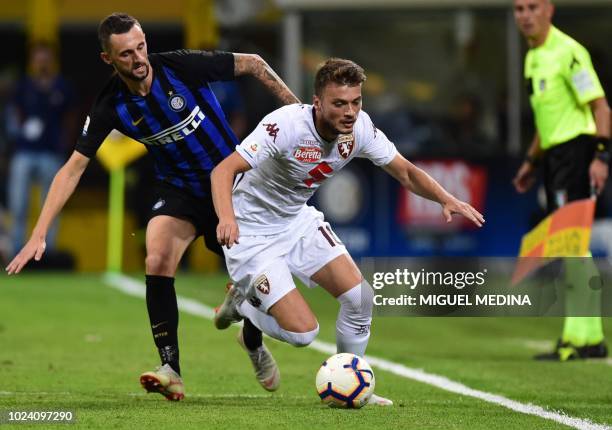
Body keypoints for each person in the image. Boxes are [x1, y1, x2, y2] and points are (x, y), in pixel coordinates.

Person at [5, 12, 299, 400]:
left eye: (141, 47)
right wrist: (38, 232)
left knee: (257, 279)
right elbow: (72, 169)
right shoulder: (111, 103)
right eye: (126, 54)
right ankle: (171, 369)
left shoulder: (180, 66)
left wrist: (303, 118)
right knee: (157, 256)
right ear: (108, 59)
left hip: (230, 187)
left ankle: (250, 337)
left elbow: (255, 65)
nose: (138, 59)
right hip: (178, 190)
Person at [211, 58, 484, 405]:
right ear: (318, 102)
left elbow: (405, 172)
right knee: (303, 334)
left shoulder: (361, 130)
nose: (350, 111)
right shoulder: (284, 126)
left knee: (360, 299)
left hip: (297, 221)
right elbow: (222, 171)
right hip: (252, 234)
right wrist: (227, 218)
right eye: (340, 103)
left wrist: (445, 198)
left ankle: (351, 383)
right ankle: (246, 310)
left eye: (356, 102)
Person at [513, 0, 610, 360]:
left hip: (577, 150)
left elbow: (601, 107)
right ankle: (586, 338)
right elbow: (545, 118)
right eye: (519, 9)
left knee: (572, 242)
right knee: (567, 242)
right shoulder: (533, 57)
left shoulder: (569, 52)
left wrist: (602, 156)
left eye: (532, 7)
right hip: (555, 156)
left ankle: (582, 338)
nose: (525, 15)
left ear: (549, 10)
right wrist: (531, 161)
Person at [6, 42, 76, 255]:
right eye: (38, 58)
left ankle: (45, 252)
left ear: (51, 61)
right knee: (18, 204)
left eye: (45, 58)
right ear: (33, 61)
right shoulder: (24, 85)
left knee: (51, 205)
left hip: (51, 153)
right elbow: (14, 112)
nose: (42, 62)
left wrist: (65, 142)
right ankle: (16, 250)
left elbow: (72, 117)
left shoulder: (62, 86)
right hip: (24, 152)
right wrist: (19, 131)